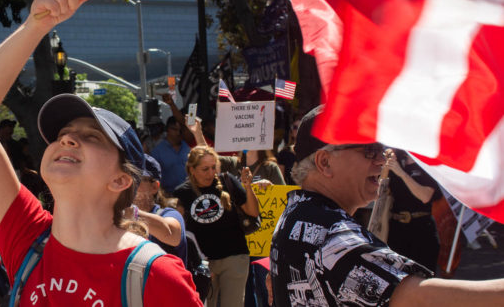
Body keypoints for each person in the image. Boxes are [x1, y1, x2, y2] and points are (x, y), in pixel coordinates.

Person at [0, 0, 201, 306]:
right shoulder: (28, 238)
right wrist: (34, 26)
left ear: (122, 179)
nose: (67, 140)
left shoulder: (158, 278)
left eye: (91, 136)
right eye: (63, 135)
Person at [270, 105, 504, 307]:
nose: (381, 160)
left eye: (381, 149)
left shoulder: (296, 212)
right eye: (369, 150)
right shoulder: (332, 236)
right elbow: (422, 299)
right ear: (325, 162)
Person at [173, 145, 262, 307]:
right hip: (204, 263)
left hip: (234, 257)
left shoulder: (227, 181)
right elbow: (179, 232)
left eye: (213, 167)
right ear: (192, 170)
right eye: (205, 169)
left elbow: (253, 212)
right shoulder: (182, 193)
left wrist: (248, 186)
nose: (210, 173)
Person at [386, 149, 441, 272]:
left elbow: (425, 196)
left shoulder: (427, 163)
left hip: (421, 228)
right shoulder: (397, 158)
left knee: (422, 276)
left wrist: (401, 173)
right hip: (396, 227)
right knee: (396, 276)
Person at [133, 154, 187, 266]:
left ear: (154, 187)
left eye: (136, 179)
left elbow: (172, 235)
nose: (129, 185)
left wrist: (132, 213)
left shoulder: (169, 214)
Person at [150, 116, 191, 193]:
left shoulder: (188, 148)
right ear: (167, 129)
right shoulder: (157, 152)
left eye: (180, 130)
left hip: (189, 193)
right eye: (174, 129)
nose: (178, 133)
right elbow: (154, 177)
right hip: (168, 195)